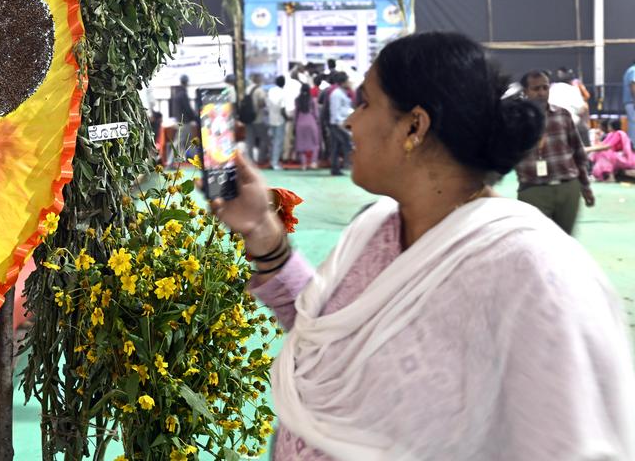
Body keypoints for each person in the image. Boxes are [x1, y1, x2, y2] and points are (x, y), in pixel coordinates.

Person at [210, 31, 635, 460]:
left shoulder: (534, 276)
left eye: (366, 103)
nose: (349, 121)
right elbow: (324, 339)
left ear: (414, 126)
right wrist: (263, 231)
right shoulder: (376, 229)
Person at [515, 70, 594, 235]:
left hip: (568, 188)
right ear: (525, 92)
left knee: (565, 243)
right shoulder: (516, 119)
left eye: (545, 87)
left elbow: (578, 152)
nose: (542, 93)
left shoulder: (562, 114)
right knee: (536, 244)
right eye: (536, 89)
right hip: (533, 190)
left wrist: (585, 186)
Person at [549, 67, 590, 147]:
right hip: (570, 123)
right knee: (583, 129)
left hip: (552, 123)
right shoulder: (572, 89)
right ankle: (586, 155)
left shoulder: (551, 88)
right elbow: (581, 108)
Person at [326, 72, 353, 176]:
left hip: (342, 122)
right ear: (343, 82)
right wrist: (340, 124)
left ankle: (336, 168)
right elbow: (335, 111)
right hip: (337, 124)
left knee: (336, 146)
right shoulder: (336, 94)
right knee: (344, 144)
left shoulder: (342, 93)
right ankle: (343, 165)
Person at [292, 84, 320, 170]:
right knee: (315, 143)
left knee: (301, 144)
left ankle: (303, 164)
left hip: (300, 123)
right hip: (311, 122)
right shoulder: (312, 100)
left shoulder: (297, 100)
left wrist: (295, 124)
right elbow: (316, 114)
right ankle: (313, 162)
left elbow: (295, 114)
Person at [266, 75, 289, 169]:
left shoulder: (271, 91)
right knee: (278, 142)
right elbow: (282, 109)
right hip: (280, 120)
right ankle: (275, 163)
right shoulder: (283, 93)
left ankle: (272, 161)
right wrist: (287, 118)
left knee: (272, 141)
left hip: (271, 119)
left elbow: (267, 104)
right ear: (283, 83)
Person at [625, 57, 635, 137]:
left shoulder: (630, 70)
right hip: (632, 102)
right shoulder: (634, 70)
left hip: (630, 102)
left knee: (632, 124)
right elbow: (633, 85)